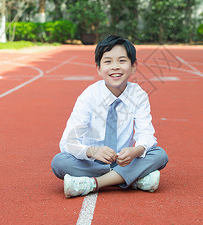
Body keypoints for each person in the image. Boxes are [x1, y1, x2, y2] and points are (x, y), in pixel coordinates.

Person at [51, 35, 169, 198]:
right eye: (108, 62)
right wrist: (92, 151)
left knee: (160, 155)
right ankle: (131, 178)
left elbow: (146, 133)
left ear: (133, 66)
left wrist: (136, 151)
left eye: (122, 61)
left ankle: (92, 183)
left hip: (125, 160)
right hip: (93, 162)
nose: (115, 67)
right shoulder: (89, 96)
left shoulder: (138, 95)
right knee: (59, 162)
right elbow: (68, 142)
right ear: (98, 68)